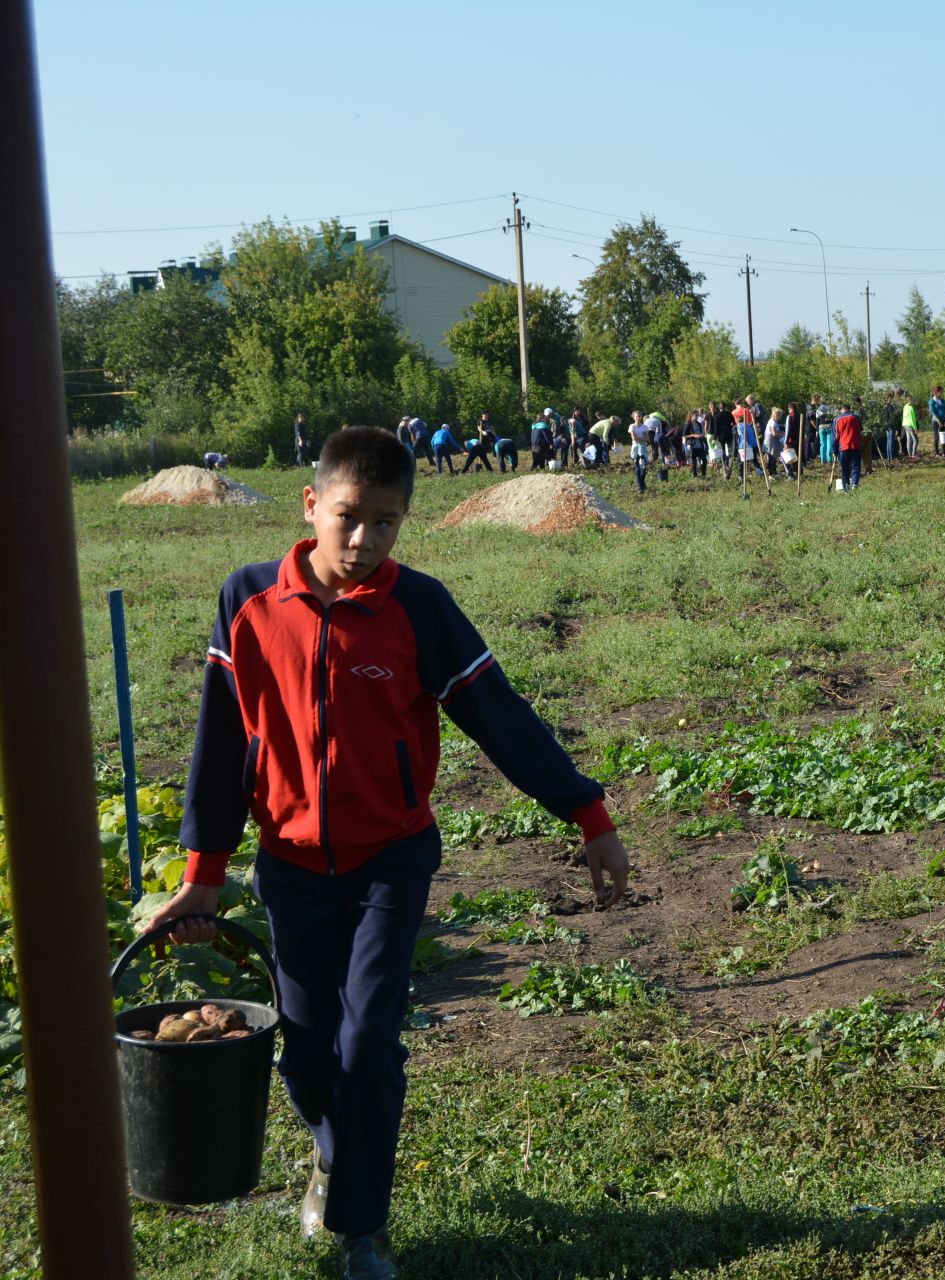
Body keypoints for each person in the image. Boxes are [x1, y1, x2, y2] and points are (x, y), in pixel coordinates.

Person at [151, 427, 629, 1279]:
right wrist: (202, 878)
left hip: (390, 862)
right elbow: (219, 748)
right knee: (305, 1053)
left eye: (387, 523)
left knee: (368, 1037)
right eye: (349, 518)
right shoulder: (249, 602)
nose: (365, 541)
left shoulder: (421, 608)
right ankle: (335, 1156)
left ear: (406, 520)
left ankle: (360, 1228)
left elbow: (501, 718)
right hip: (290, 867)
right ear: (311, 507)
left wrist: (588, 813)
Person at [834, 403, 863, 491]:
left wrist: (834, 450)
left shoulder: (837, 419)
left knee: (845, 468)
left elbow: (835, 437)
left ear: (841, 410)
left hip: (843, 447)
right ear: (849, 409)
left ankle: (846, 488)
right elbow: (861, 431)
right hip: (855, 446)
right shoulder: (856, 417)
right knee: (856, 466)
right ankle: (854, 484)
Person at [684, 408, 709, 478]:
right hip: (692, 445)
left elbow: (701, 432)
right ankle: (695, 476)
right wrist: (693, 435)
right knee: (693, 461)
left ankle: (703, 475)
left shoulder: (698, 424)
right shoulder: (688, 424)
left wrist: (702, 435)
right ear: (692, 415)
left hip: (699, 444)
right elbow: (685, 435)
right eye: (696, 415)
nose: (698, 417)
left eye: (698, 415)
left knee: (704, 460)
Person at [928, 386, 945, 456]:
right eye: (941, 392)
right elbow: (933, 413)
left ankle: (944, 452)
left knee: (943, 436)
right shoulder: (931, 402)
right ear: (936, 392)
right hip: (935, 422)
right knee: (936, 436)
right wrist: (939, 421)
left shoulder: (942, 400)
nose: (942, 393)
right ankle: (937, 452)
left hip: (944, 421)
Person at [900, 393, 920, 458]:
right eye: (913, 400)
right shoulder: (911, 408)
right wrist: (915, 427)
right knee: (916, 440)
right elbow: (912, 419)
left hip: (905, 425)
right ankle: (914, 454)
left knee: (909, 440)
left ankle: (910, 454)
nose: (913, 401)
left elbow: (904, 417)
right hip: (910, 425)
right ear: (910, 400)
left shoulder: (905, 407)